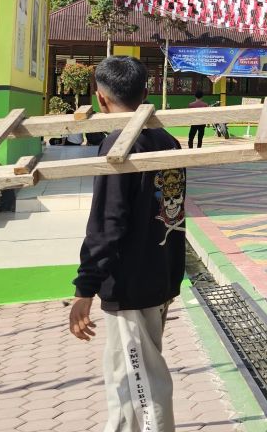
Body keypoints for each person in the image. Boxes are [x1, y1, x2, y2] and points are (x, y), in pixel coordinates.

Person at [69, 55, 186, 432]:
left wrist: (85, 288)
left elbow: (107, 223)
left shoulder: (117, 146)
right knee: (125, 374)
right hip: (161, 275)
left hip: (133, 285)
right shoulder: (166, 140)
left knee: (143, 381)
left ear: (100, 98)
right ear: (145, 92)